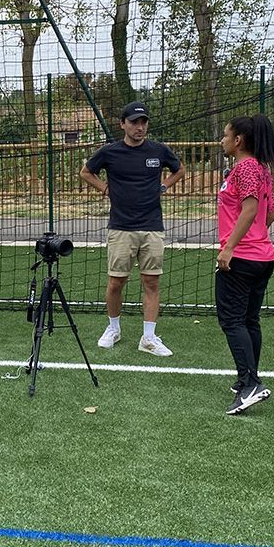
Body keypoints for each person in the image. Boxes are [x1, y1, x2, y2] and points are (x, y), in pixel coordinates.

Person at [79, 101, 186, 356]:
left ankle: (148, 338)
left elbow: (180, 169)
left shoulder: (158, 150)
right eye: (135, 122)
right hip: (121, 228)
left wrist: (165, 186)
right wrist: (105, 188)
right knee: (116, 283)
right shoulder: (109, 152)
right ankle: (113, 329)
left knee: (151, 282)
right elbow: (85, 172)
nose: (140, 127)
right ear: (123, 125)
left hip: (152, 227)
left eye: (143, 122)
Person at [216, 115, 274, 416]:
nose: (223, 140)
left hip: (242, 257)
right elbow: (270, 214)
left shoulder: (246, 168)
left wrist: (230, 247)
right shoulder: (263, 169)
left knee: (232, 320)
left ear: (238, 140)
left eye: (226, 135)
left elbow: (252, 208)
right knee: (250, 320)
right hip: (263, 256)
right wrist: (256, 237)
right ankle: (246, 379)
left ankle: (250, 383)